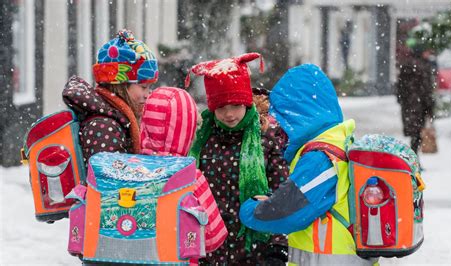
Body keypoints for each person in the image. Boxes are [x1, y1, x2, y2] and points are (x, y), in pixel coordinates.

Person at [239, 64, 376, 265]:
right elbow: (307, 200)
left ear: (296, 114)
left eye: (282, 118)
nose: (280, 127)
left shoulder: (321, 157)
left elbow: (287, 212)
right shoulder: (338, 142)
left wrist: (250, 208)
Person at [185, 53, 289, 265]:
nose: (229, 114)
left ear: (246, 103)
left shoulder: (265, 138)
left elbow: (282, 192)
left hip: (254, 249)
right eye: (222, 107)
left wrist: (278, 245)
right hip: (210, 247)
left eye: (235, 105)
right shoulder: (202, 139)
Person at [140, 87, 228, 256]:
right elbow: (213, 238)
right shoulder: (189, 176)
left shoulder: (131, 167)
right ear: (186, 130)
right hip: (175, 259)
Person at [62, 29, 158, 164]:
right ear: (120, 86)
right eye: (143, 87)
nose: (148, 94)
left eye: (150, 87)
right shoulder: (104, 127)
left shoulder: (117, 119)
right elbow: (111, 181)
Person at [396, 37, 437, 154]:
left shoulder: (406, 64)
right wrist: (430, 105)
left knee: (414, 133)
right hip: (419, 105)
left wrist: (402, 99)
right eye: (426, 51)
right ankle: (414, 159)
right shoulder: (423, 66)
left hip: (409, 104)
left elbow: (400, 85)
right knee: (417, 134)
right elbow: (427, 88)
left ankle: (413, 158)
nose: (428, 54)